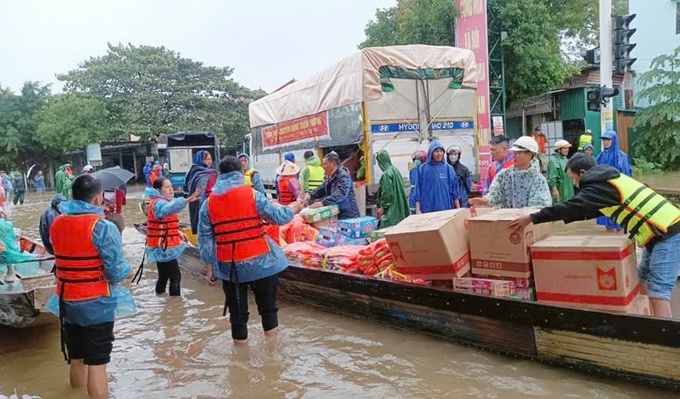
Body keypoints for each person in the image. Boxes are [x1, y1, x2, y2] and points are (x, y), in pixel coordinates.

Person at [508, 153, 680, 319]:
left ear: (582, 173)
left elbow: (573, 206)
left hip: (668, 234)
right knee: (642, 284)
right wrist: (554, 219)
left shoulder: (599, 185)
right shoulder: (608, 179)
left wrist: (533, 218)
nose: (574, 184)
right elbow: (587, 211)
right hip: (657, 234)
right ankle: (652, 323)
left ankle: (668, 342)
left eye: (573, 178)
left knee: (658, 291)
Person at [44, 174, 137, 397]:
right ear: (98, 199)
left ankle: (74, 394)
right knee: (97, 362)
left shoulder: (57, 223)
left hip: (67, 301)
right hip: (96, 303)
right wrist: (128, 270)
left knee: (77, 356)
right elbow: (114, 271)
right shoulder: (103, 227)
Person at [198, 156, 303, 344]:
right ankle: (272, 354)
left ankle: (240, 360)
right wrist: (294, 208)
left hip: (229, 267)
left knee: (237, 315)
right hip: (261, 261)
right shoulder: (253, 195)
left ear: (219, 175)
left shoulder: (208, 203)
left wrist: (209, 269)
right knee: (268, 308)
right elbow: (278, 217)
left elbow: (205, 239)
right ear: (240, 173)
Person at [146, 177, 200, 296]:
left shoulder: (160, 201)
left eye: (171, 187)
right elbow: (167, 210)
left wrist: (177, 231)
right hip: (164, 246)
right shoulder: (159, 203)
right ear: (158, 190)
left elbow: (166, 220)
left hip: (161, 244)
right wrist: (186, 201)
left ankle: (162, 300)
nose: (171, 189)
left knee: (163, 276)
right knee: (176, 276)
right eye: (167, 187)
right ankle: (175, 304)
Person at [470, 136, 552, 209]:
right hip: (507, 222)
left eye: (519, 153)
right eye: (514, 153)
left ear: (529, 154)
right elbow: (495, 195)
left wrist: (521, 214)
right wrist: (485, 201)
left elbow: (541, 205)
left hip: (528, 224)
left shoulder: (538, 179)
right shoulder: (504, 175)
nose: (515, 156)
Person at [301, 152, 361, 220]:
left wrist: (323, 203)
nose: (323, 167)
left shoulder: (343, 175)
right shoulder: (330, 176)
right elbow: (321, 189)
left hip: (348, 215)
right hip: (337, 213)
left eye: (325, 164)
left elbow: (341, 193)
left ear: (333, 164)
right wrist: (310, 194)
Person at [596, 130, 633, 232]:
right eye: (603, 139)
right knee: (607, 218)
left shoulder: (621, 157)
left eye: (607, 139)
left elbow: (626, 175)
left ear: (613, 140)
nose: (605, 142)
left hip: (617, 191)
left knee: (619, 219)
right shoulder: (600, 156)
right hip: (604, 191)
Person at [414, 140, 460, 214]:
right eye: (436, 151)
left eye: (441, 151)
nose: (439, 154)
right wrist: (418, 209)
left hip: (445, 207)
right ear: (431, 153)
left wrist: (458, 208)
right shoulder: (423, 169)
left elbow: (454, 190)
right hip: (427, 208)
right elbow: (417, 190)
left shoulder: (448, 169)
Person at [376, 150, 409, 228]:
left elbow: (387, 192)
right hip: (399, 206)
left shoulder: (386, 174)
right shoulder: (395, 170)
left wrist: (383, 207)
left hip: (391, 209)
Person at [185, 150, 217, 235]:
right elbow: (198, 192)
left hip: (216, 203)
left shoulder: (214, 171)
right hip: (204, 203)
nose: (209, 161)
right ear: (200, 160)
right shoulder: (196, 173)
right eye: (206, 159)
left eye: (210, 159)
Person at [547, 140, 574, 204]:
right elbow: (551, 178)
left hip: (569, 189)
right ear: (558, 150)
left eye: (568, 148)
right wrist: (554, 190)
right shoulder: (553, 162)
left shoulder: (566, 160)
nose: (567, 150)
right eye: (565, 148)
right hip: (561, 190)